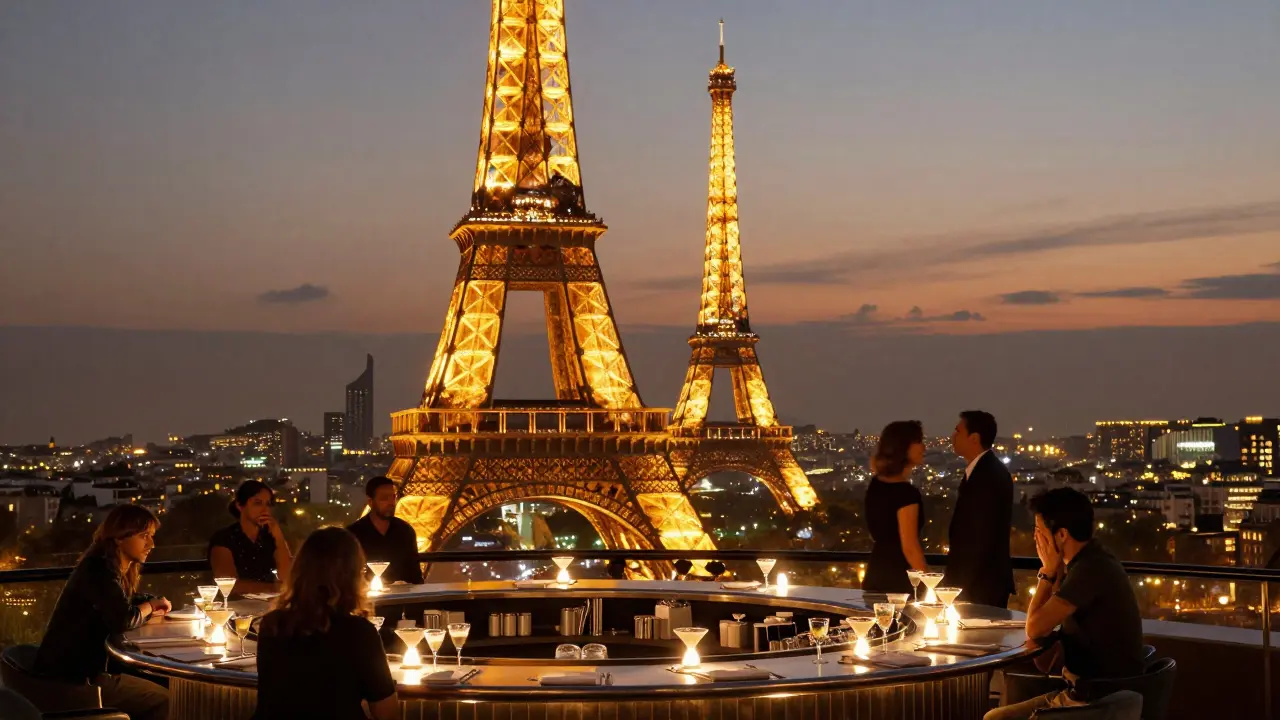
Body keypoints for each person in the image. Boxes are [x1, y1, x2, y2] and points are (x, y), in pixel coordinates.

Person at [984, 488, 1145, 720]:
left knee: (995, 718)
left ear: (1061, 535)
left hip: (1098, 702)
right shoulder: (1092, 560)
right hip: (1096, 692)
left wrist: (1048, 573)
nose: (1035, 538)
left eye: (1039, 531)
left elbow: (1035, 627)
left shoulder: (1090, 569)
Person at [35, 505, 172, 720]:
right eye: (144, 536)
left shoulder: (103, 567)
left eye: (152, 537)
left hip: (71, 670)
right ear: (119, 537)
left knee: (159, 682)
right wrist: (152, 606)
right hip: (77, 678)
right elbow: (122, 619)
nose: (151, 544)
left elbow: (120, 601)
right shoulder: (99, 571)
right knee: (167, 699)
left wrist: (148, 601)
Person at [254, 527, 399, 720]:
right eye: (361, 571)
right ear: (351, 576)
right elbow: (386, 713)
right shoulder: (359, 632)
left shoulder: (271, 624)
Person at [943, 410, 1014, 607]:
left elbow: (979, 536)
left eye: (958, 431)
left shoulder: (986, 476)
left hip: (979, 586)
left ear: (974, 438)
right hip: (980, 583)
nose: (952, 436)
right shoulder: (986, 471)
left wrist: (959, 586)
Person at [863, 421, 928, 594]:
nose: (924, 447)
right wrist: (931, 585)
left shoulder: (875, 484)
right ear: (904, 446)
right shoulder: (906, 494)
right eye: (919, 441)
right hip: (901, 579)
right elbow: (910, 548)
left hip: (876, 572)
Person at [209, 480, 293, 596]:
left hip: (271, 604)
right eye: (257, 503)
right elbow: (228, 585)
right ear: (239, 505)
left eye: (268, 504)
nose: (264, 510)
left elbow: (288, 576)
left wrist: (278, 535)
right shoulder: (225, 539)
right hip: (237, 606)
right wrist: (273, 588)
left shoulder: (270, 537)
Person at [345, 476, 424, 585]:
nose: (391, 503)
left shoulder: (405, 531)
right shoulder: (353, 534)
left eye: (393, 497)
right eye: (384, 498)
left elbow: (415, 575)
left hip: (400, 598)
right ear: (370, 502)